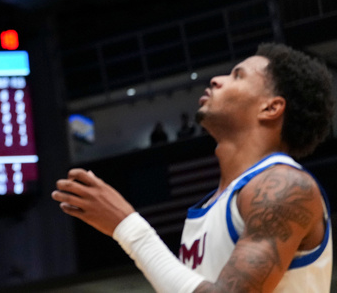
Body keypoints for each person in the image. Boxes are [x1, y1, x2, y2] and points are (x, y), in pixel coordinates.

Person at [52, 43, 335, 292]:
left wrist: (128, 227)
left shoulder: (283, 186)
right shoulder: (216, 204)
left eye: (238, 75)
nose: (216, 80)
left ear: (270, 108)